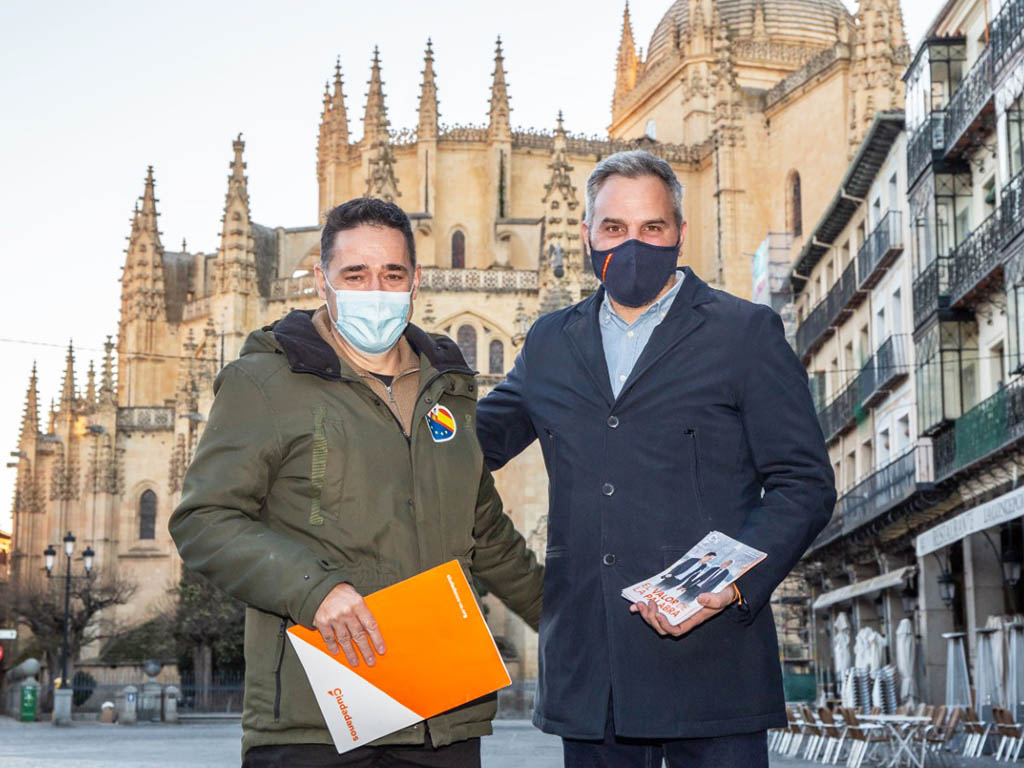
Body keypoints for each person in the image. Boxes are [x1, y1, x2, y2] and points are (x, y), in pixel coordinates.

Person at [476, 150, 835, 767]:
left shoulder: (742, 333)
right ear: (587, 234)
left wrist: (728, 583)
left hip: (713, 665)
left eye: (652, 228)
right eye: (614, 228)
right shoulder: (549, 342)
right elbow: (471, 447)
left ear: (680, 234)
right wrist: (404, 386)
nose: (633, 245)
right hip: (594, 675)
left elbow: (803, 482)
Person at [169, 198, 544, 768]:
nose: (376, 288)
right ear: (322, 280)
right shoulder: (264, 382)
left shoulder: (450, 392)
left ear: (416, 280)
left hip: (441, 720)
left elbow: (486, 534)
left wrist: (576, 618)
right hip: (316, 723)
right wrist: (312, 591)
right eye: (356, 274)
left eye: (392, 274)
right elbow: (204, 520)